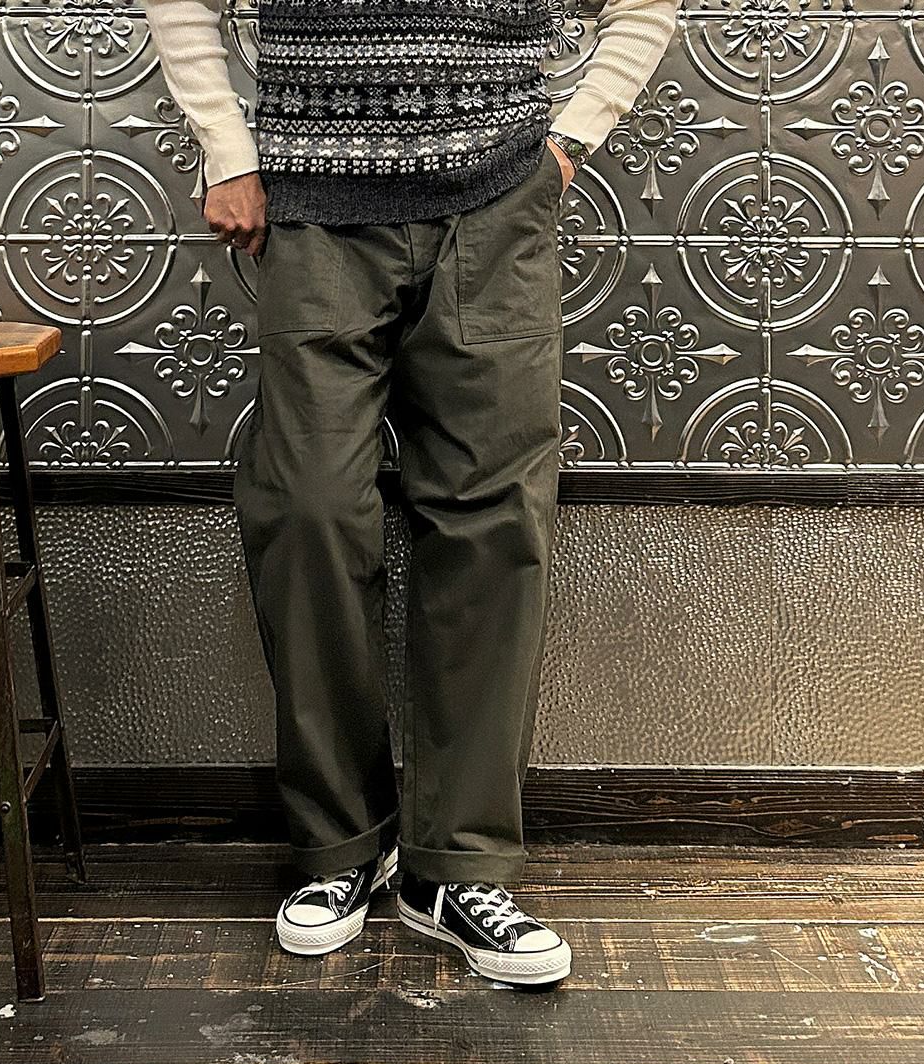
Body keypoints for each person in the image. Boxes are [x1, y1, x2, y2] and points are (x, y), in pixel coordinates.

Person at [144, 0, 677, 987]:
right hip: (314, 207)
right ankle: (341, 844)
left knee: (492, 519)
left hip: (495, 201)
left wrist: (569, 142)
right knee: (306, 507)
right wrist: (225, 148)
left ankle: (456, 866)